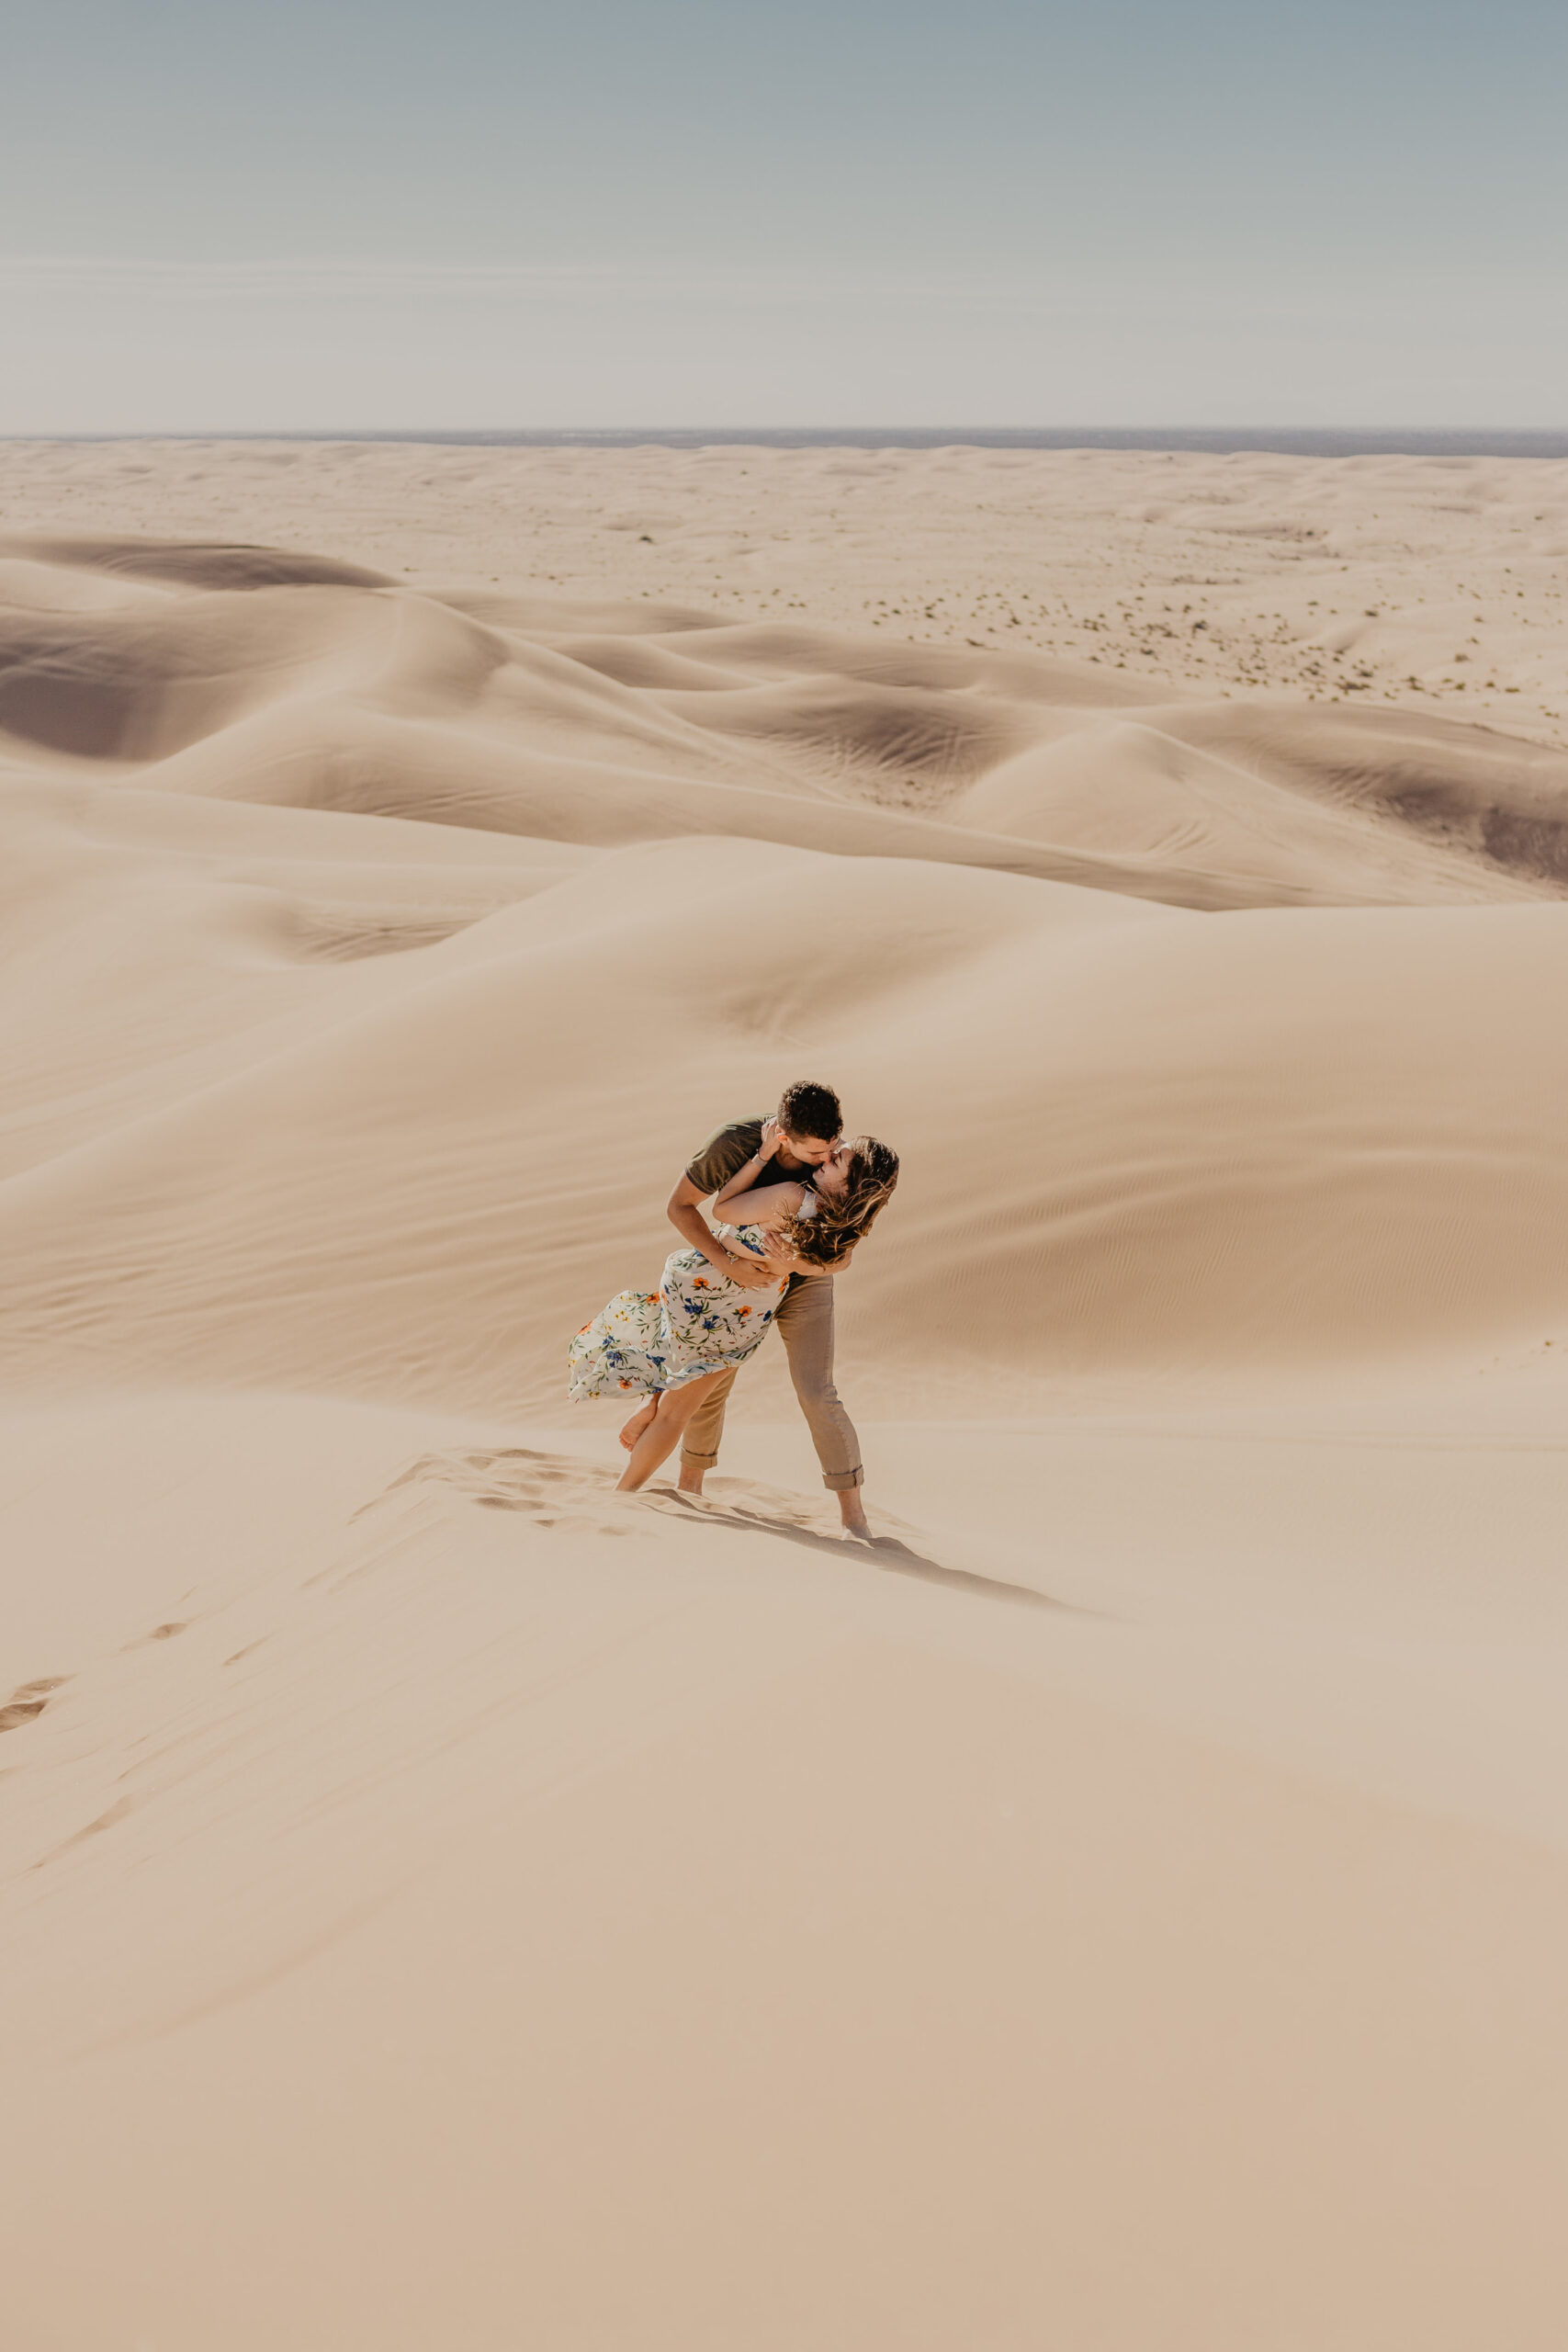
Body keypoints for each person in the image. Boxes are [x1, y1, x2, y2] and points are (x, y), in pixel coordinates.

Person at [568, 1080, 898, 1538]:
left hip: (799, 1280)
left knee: (816, 1391)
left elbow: (844, 1252)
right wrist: (733, 1263)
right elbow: (684, 1207)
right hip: (731, 1281)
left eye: (834, 1149)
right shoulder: (738, 1143)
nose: (827, 1157)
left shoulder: (842, 1167)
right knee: (710, 1384)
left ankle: (853, 1516)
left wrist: (795, 1260)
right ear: (785, 1136)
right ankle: (686, 1482)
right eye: (818, 1153)